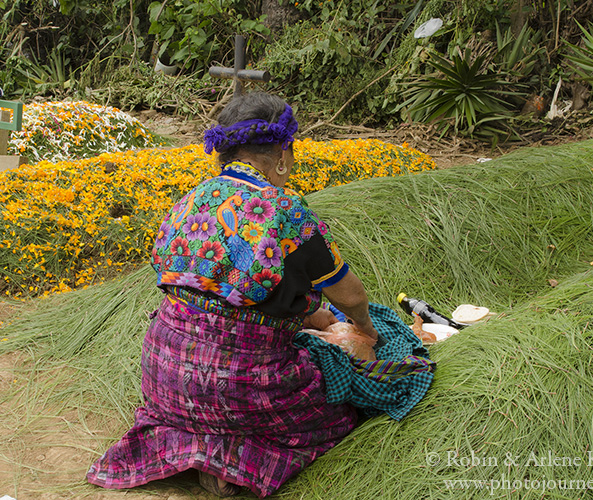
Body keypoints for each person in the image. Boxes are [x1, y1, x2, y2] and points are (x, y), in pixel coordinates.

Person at [86, 92, 381, 498]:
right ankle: (232, 460)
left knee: (219, 396)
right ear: (283, 152)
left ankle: (195, 447)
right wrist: (364, 328)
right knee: (343, 406)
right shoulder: (285, 211)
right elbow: (349, 296)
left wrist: (311, 314)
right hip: (243, 387)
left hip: (165, 378)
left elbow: (229, 295)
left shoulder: (191, 200)